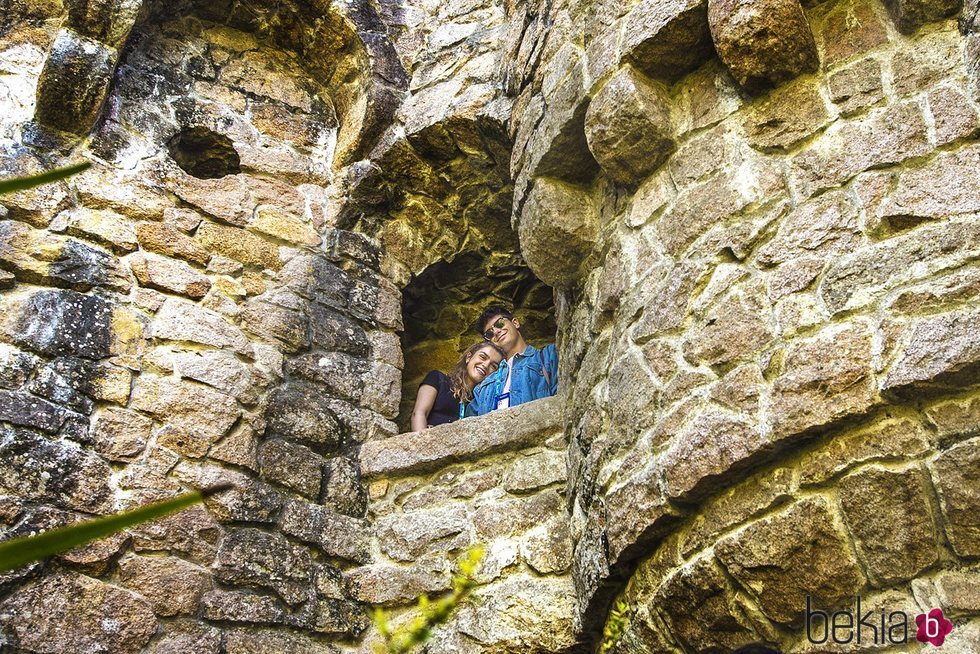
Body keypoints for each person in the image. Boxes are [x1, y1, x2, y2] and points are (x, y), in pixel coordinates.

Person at [467, 305, 558, 416]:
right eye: (489, 334)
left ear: (515, 323)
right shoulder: (482, 388)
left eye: (499, 324)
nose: (495, 332)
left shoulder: (548, 356)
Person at [410, 341, 505, 431]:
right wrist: (425, 443)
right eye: (483, 357)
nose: (486, 365)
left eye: (493, 366)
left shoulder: (480, 402)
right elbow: (419, 413)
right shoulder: (438, 379)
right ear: (469, 357)